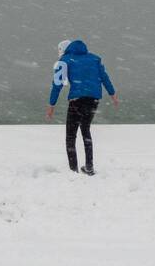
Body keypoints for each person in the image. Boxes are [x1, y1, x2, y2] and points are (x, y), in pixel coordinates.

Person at [46, 39, 118, 175]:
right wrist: (112, 94)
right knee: (85, 130)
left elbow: (57, 84)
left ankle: (73, 170)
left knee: (70, 136)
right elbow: (104, 77)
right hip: (94, 99)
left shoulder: (64, 60)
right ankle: (89, 167)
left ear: (63, 50)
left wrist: (51, 105)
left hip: (77, 99)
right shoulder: (94, 59)